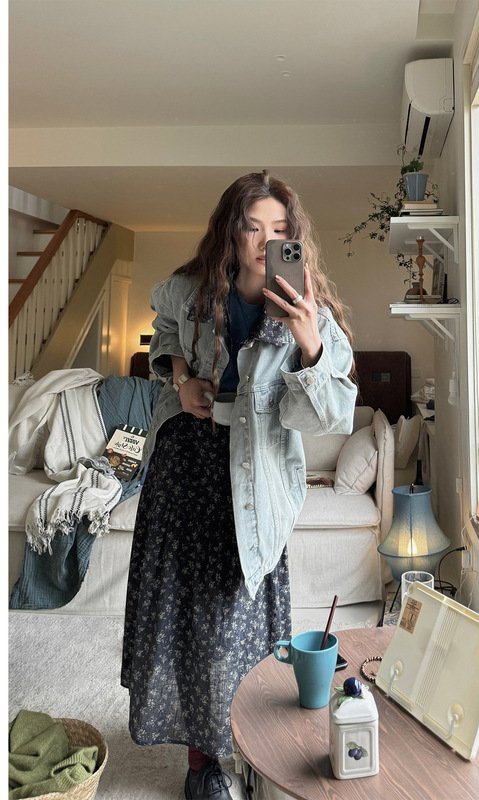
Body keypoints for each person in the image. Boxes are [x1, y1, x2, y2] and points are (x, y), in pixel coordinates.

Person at [120, 170, 357, 800]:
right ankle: (202, 763)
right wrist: (181, 380)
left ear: (294, 239)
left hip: (253, 482)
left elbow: (328, 414)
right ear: (231, 233)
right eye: (252, 228)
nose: (265, 242)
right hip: (185, 470)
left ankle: (247, 748)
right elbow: (163, 334)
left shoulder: (309, 315)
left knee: (239, 623)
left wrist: (309, 345)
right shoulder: (189, 292)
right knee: (188, 620)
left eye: (279, 231)